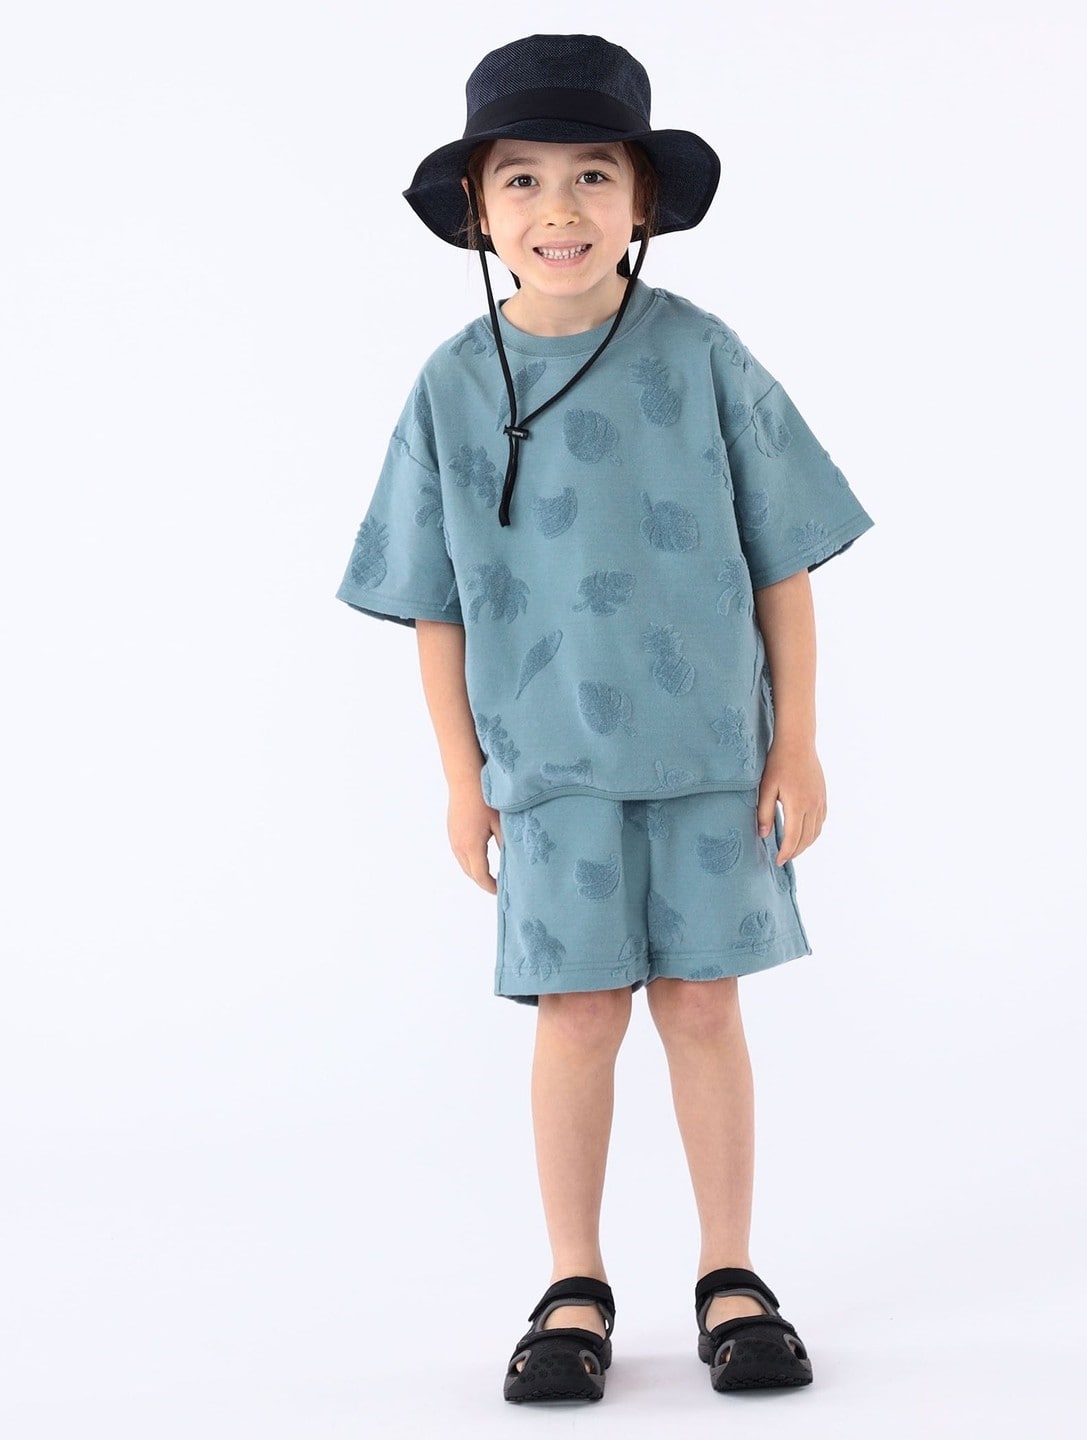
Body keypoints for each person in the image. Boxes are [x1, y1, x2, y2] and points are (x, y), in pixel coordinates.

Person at [335, 33, 875, 1404]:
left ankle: (730, 1273)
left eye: (592, 174)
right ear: (478, 208)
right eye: (522, 178)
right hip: (548, 768)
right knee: (576, 1014)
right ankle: (573, 1282)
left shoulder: (702, 354)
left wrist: (798, 741)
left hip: (710, 757)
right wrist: (461, 779)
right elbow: (433, 601)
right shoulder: (452, 384)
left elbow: (784, 560)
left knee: (701, 1004)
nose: (559, 208)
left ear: (641, 199)